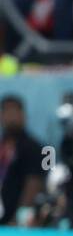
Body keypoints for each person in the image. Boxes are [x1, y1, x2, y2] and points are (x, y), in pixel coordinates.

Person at [0, 95, 47, 226]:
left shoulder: (33, 148)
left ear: (23, 115)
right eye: (7, 111)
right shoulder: (2, 145)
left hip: (16, 221)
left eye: (15, 111)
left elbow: (33, 184)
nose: (12, 117)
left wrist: (17, 218)